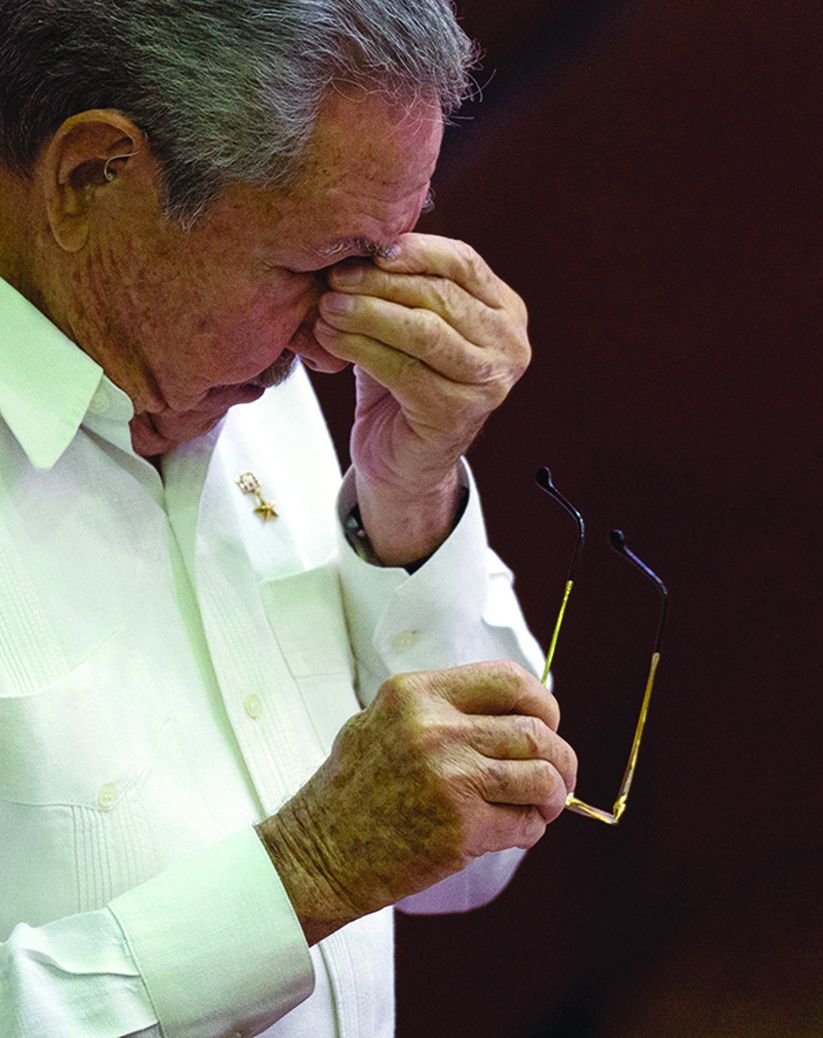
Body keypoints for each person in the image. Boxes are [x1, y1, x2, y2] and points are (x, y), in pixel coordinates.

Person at [0, 2, 577, 1035]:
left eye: (384, 260)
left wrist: (409, 494)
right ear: (93, 175)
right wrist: (298, 879)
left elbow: (468, 867)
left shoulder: (243, 382)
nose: (336, 339)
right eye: (320, 264)